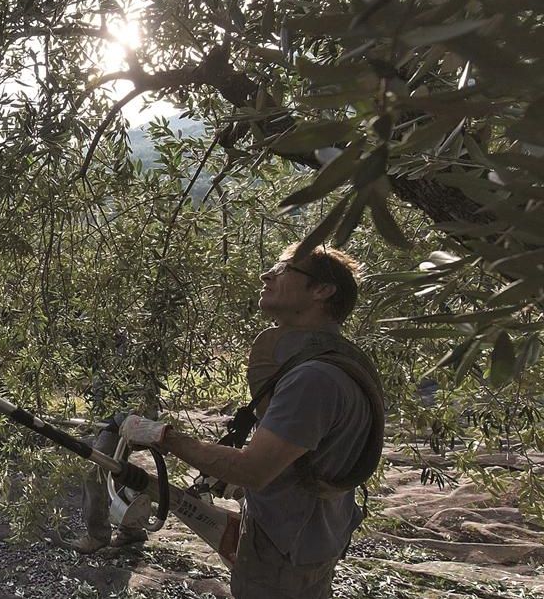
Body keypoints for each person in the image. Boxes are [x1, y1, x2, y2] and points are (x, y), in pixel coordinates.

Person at [116, 245, 382, 599]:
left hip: (284, 552)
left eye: (284, 269)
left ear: (322, 290)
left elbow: (253, 470)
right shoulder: (340, 363)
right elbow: (310, 459)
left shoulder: (313, 378)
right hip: (313, 539)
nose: (266, 275)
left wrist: (162, 436)